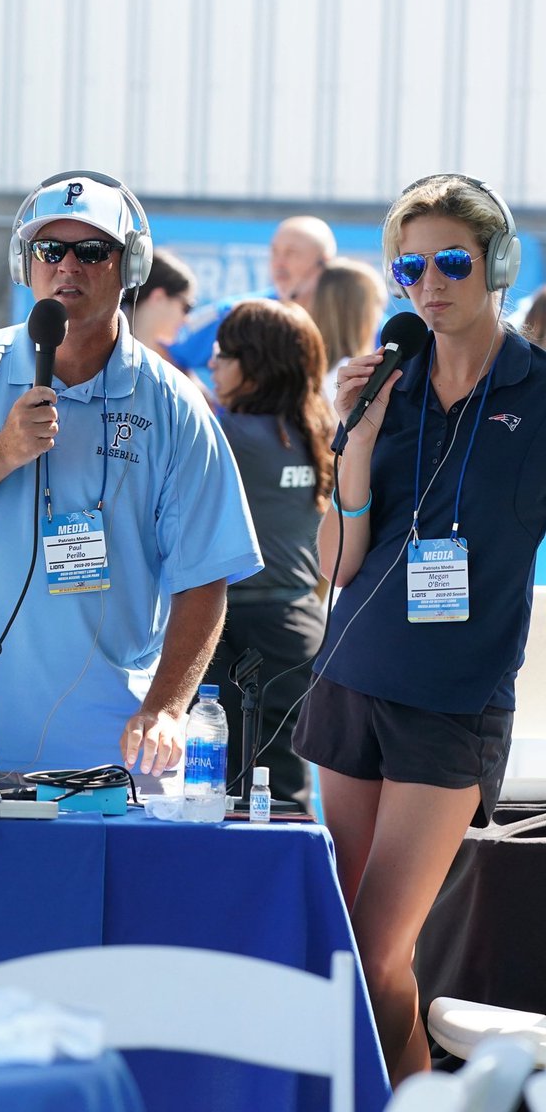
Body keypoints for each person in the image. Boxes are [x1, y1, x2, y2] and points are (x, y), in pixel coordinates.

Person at [0, 170, 261, 775]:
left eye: (92, 251)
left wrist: (166, 710)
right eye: (49, 250)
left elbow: (205, 579)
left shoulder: (174, 404)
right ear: (25, 265)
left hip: (101, 752)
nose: (67, 267)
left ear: (129, 267)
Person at [292, 173, 543, 1085]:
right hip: (352, 678)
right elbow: (336, 561)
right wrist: (354, 439)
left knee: (373, 942)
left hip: (452, 704)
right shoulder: (382, 388)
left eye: (451, 262)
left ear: (497, 265)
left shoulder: (539, 393)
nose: (429, 285)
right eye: (409, 268)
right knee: (347, 951)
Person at [200, 300, 335, 810]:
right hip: (299, 622)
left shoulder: (225, 433)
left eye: (224, 353)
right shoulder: (322, 431)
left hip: (230, 627)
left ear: (255, 364)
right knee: (283, 784)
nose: (213, 363)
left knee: (218, 784)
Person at [169, 215, 337, 392]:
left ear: (324, 262)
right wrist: (204, 405)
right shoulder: (237, 313)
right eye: (274, 252)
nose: (279, 263)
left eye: (291, 253)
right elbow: (169, 353)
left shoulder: (349, 321)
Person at [309, 257, 387, 403]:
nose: (380, 316)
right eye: (377, 304)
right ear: (361, 312)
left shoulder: (302, 370)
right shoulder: (357, 378)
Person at [120, 247, 198, 364]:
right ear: (158, 297)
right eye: (187, 307)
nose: (186, 320)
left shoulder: (173, 368)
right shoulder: (106, 347)